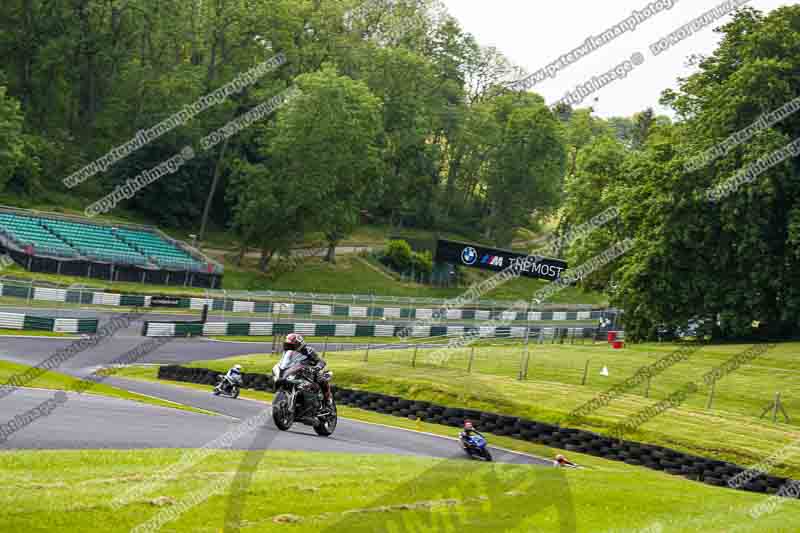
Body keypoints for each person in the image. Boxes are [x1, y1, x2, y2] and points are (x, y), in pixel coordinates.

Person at [283, 333, 332, 402]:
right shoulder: (289, 354)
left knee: (322, 380)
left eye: (291, 345)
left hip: (310, 373)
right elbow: (285, 364)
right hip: (296, 373)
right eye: (288, 345)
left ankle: (328, 400)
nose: (289, 347)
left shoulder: (309, 351)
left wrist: (317, 367)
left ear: (299, 344)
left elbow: (321, 361)